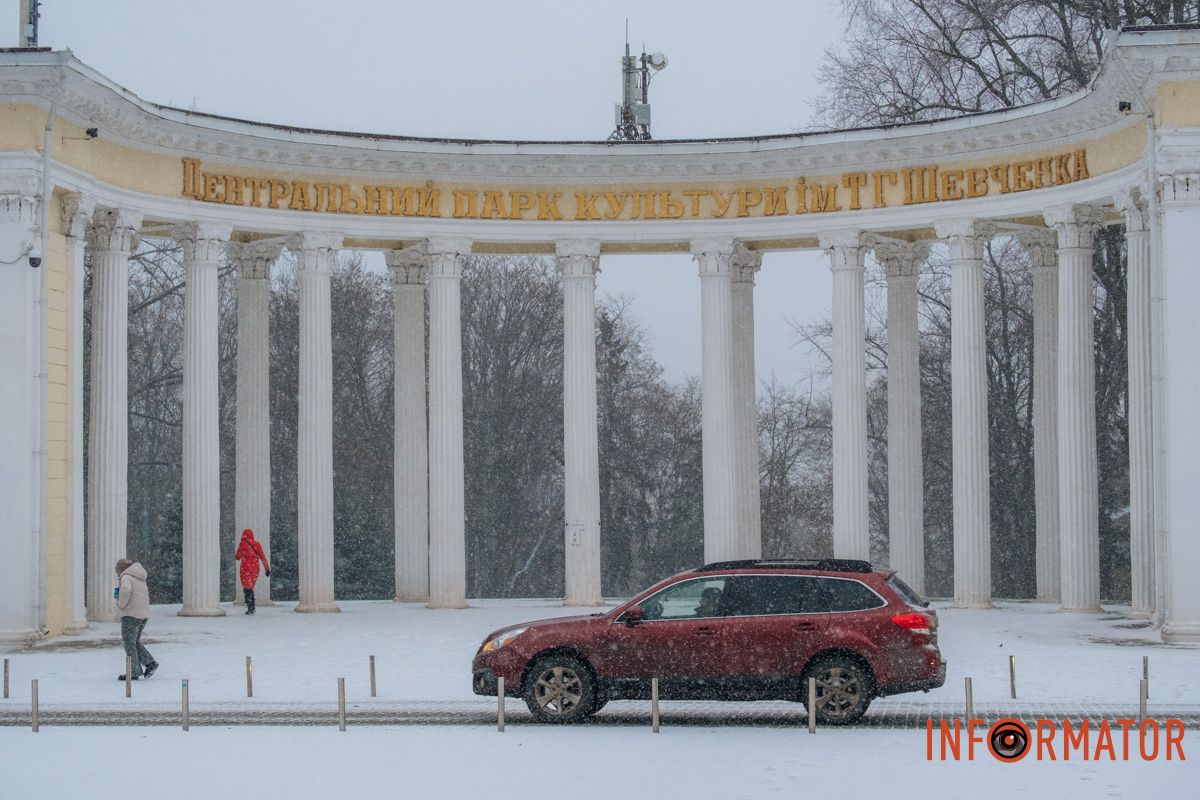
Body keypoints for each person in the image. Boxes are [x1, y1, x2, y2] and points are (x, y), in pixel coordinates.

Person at [115, 558, 157, 681]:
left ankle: (134, 672)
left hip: (130, 615)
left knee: (129, 643)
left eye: (117, 571)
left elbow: (126, 590)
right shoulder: (139, 577)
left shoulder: (126, 577)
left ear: (121, 569)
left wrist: (120, 604)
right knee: (134, 642)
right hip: (142, 615)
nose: (117, 574)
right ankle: (150, 663)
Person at [235, 528, 270, 615]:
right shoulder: (257, 544)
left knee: (247, 587)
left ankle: (250, 606)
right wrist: (267, 569)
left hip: (245, 568)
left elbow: (237, 557)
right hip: (255, 568)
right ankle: (251, 606)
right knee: (250, 587)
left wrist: (242, 551)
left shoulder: (242, 544)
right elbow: (262, 557)